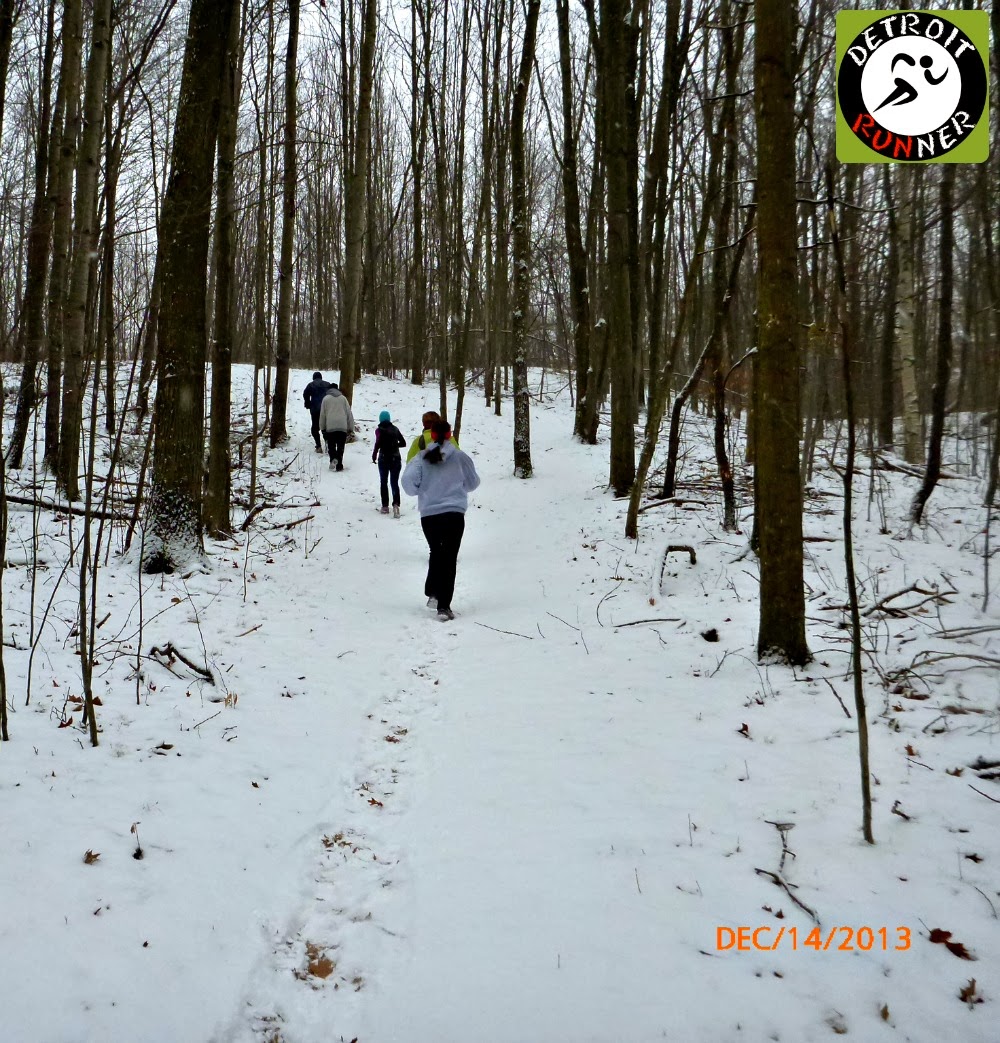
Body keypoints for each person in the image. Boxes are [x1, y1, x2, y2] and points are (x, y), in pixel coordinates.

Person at [401, 420, 480, 621]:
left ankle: (433, 591)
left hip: (429, 514)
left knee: (436, 551)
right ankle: (443, 606)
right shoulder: (461, 457)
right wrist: (457, 488)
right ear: (450, 434)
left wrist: (424, 490)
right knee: (450, 556)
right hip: (454, 512)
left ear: (432, 435)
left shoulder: (420, 458)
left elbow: (408, 485)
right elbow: (473, 483)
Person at [372, 410, 407, 516]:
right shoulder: (396, 429)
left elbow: (378, 443)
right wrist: (395, 445)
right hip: (396, 458)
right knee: (394, 482)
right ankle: (396, 505)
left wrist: (374, 454)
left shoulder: (379, 430)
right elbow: (403, 443)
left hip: (383, 458)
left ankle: (385, 506)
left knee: (384, 482)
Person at [318, 383, 355, 471]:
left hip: (330, 426)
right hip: (342, 426)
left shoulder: (325, 399)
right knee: (340, 446)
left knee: (331, 446)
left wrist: (322, 428)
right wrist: (351, 427)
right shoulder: (343, 398)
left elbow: (322, 415)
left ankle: (333, 459)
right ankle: (339, 465)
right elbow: (349, 414)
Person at [303, 372, 332, 453]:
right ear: (321, 377)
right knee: (326, 427)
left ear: (314, 378)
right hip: (326, 409)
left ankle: (318, 446)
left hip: (315, 409)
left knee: (315, 428)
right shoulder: (327, 384)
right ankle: (327, 443)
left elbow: (305, 394)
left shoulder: (311, 385)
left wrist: (307, 403)